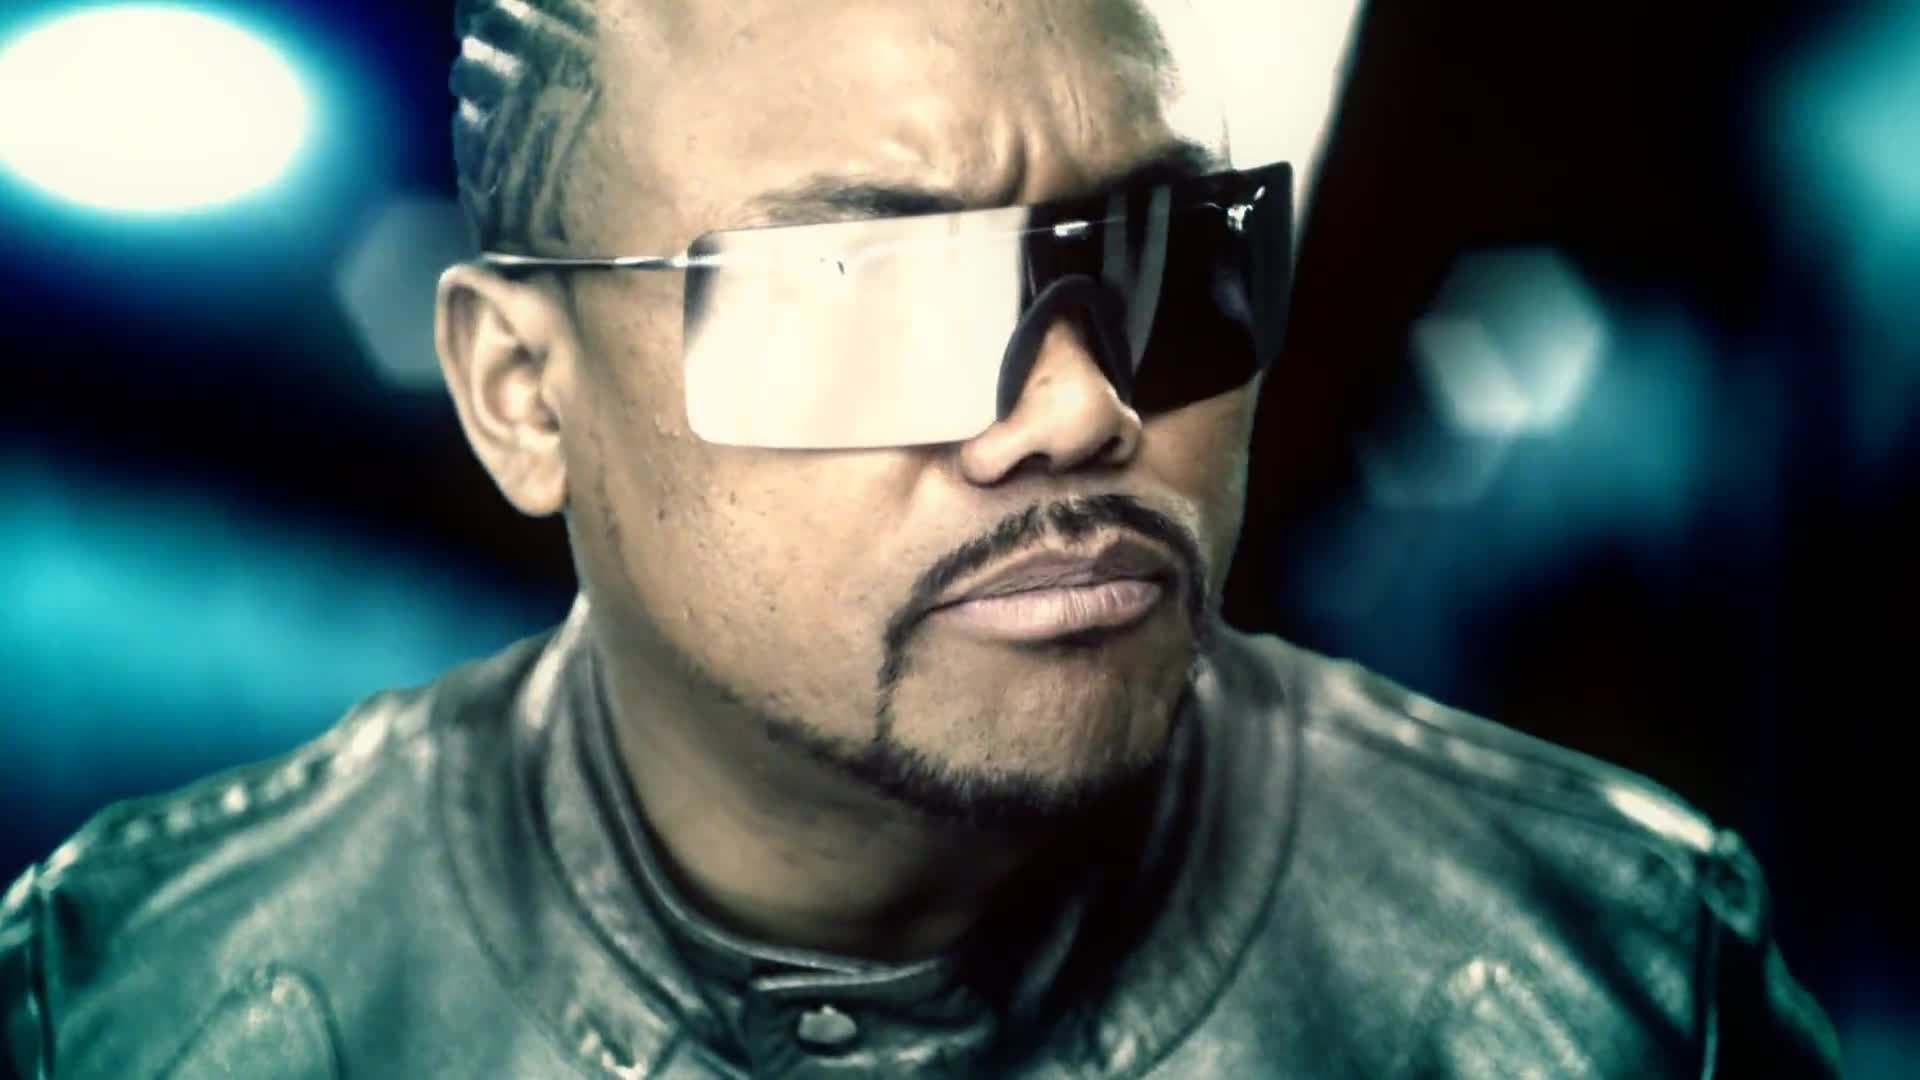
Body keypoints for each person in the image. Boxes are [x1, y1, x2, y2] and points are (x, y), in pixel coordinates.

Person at [1, 1, 1843, 1076]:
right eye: (865, 288)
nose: (1079, 409)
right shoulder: (153, 1000)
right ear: (521, 394)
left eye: (1159, 260)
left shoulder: (1612, 979)